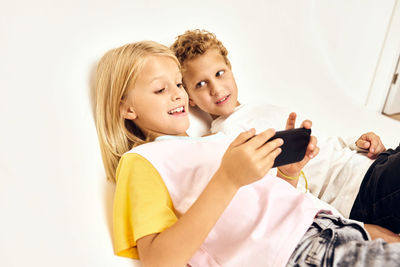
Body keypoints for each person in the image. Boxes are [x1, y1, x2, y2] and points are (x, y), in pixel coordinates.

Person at [94, 40, 400, 267]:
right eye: (160, 90)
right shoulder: (141, 161)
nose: (177, 94)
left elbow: (264, 207)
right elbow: (159, 260)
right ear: (126, 107)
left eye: (177, 84)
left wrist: (287, 174)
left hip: (331, 229)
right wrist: (227, 179)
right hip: (296, 252)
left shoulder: (210, 144)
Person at [170, 29, 400, 233]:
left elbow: (323, 143)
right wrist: (350, 228)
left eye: (219, 74)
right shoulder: (229, 137)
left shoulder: (259, 106)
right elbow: (284, 191)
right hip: (360, 191)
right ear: (189, 98)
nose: (216, 88)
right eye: (201, 84)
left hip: (371, 163)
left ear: (230, 69)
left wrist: (357, 143)